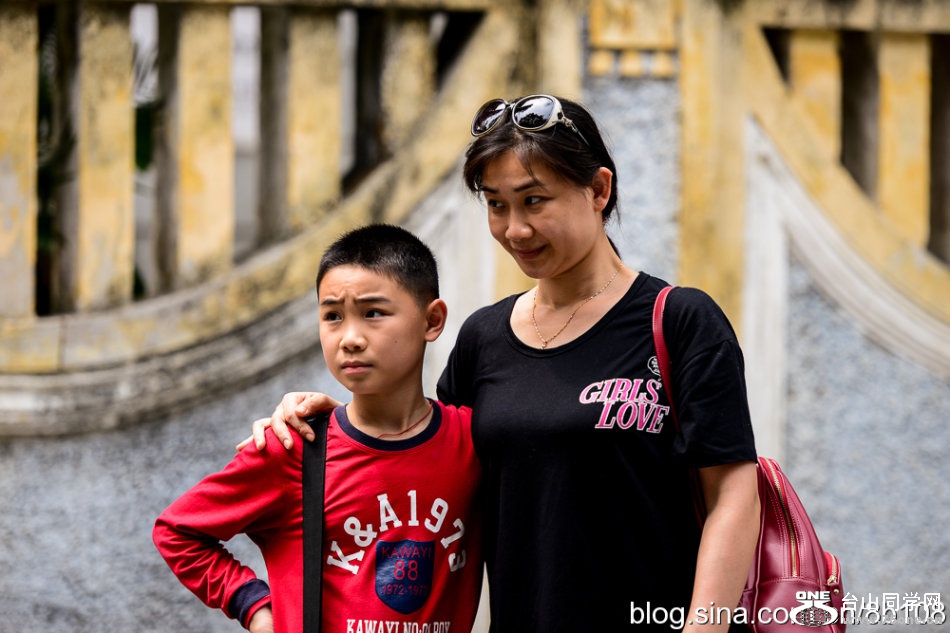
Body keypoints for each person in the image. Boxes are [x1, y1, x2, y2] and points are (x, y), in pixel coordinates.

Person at [248, 95, 760, 632]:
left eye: (534, 201)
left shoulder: (679, 321)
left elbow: (732, 495)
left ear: (598, 190)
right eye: (496, 205)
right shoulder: (484, 337)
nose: (515, 229)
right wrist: (339, 424)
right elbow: (427, 458)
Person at [154, 224, 482, 633]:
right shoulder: (296, 447)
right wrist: (255, 608)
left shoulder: (474, 442)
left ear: (432, 321)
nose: (350, 338)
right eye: (332, 316)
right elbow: (177, 531)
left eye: (373, 313)